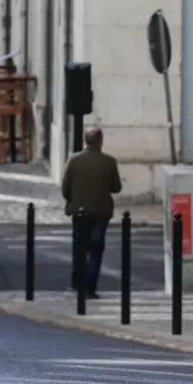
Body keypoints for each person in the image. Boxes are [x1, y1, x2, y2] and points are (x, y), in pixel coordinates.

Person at [61, 127, 122, 299]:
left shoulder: (74, 160)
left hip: (79, 211)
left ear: (85, 140)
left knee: (79, 248)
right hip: (100, 211)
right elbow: (116, 187)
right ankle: (90, 287)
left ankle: (76, 283)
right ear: (100, 141)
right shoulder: (109, 162)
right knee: (96, 249)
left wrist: (73, 199)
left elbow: (65, 187)